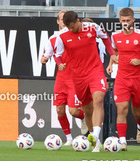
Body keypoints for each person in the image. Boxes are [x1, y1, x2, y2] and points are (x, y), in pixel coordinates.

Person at [54, 11, 115, 152]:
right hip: (78, 76)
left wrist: (112, 54)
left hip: (95, 71)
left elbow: (105, 38)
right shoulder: (62, 36)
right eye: (68, 27)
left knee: (98, 99)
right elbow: (57, 54)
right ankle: (96, 142)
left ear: (78, 21)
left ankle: (95, 134)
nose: (71, 29)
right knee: (87, 110)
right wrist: (59, 63)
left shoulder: (92, 28)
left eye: (72, 26)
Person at [41, 10, 87, 146]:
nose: (64, 22)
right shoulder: (53, 38)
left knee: (74, 111)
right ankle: (69, 138)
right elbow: (46, 55)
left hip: (74, 78)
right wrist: (43, 60)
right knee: (59, 110)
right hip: (61, 79)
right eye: (62, 19)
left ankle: (86, 117)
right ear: (58, 21)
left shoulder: (76, 35)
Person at [107, 8, 140, 151]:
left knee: (137, 112)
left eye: (128, 20)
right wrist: (110, 63)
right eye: (123, 20)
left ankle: (139, 127)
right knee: (121, 108)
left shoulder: (139, 35)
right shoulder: (115, 36)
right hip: (122, 78)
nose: (126, 23)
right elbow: (115, 51)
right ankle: (122, 141)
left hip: (138, 78)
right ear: (120, 20)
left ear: (133, 20)